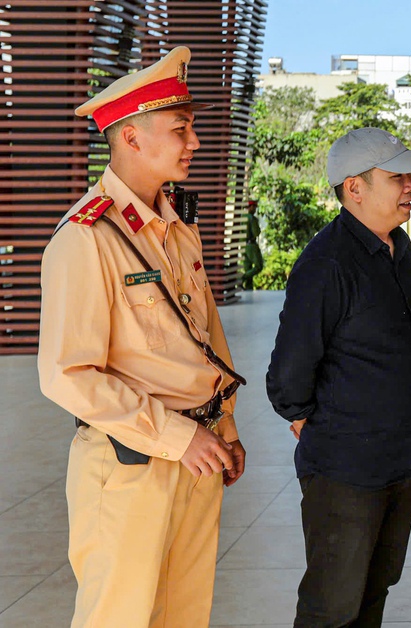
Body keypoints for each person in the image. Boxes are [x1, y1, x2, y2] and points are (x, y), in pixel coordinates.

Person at [38, 46, 248, 626]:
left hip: (198, 454)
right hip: (132, 462)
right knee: (121, 617)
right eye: (180, 129)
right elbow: (67, 374)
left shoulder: (178, 228)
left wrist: (224, 429)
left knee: (183, 615)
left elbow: (205, 342)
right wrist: (178, 436)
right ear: (130, 138)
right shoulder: (86, 238)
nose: (195, 143)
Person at [265, 127, 411, 627]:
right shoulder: (326, 262)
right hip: (346, 471)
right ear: (354, 188)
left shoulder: (398, 251)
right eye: (397, 176)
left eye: (409, 175)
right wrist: (305, 419)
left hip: (400, 461)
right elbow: (289, 370)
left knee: (371, 594)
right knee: (332, 606)